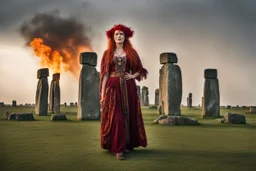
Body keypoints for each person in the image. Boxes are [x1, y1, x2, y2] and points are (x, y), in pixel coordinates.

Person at [100, 24, 148, 160]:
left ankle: (126, 144)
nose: (119, 36)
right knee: (117, 117)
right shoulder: (107, 54)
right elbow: (104, 75)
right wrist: (102, 94)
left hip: (128, 87)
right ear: (113, 37)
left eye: (121, 34)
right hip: (112, 87)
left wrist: (133, 76)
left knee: (129, 115)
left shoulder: (131, 53)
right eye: (116, 34)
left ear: (125, 36)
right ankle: (118, 149)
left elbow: (140, 69)